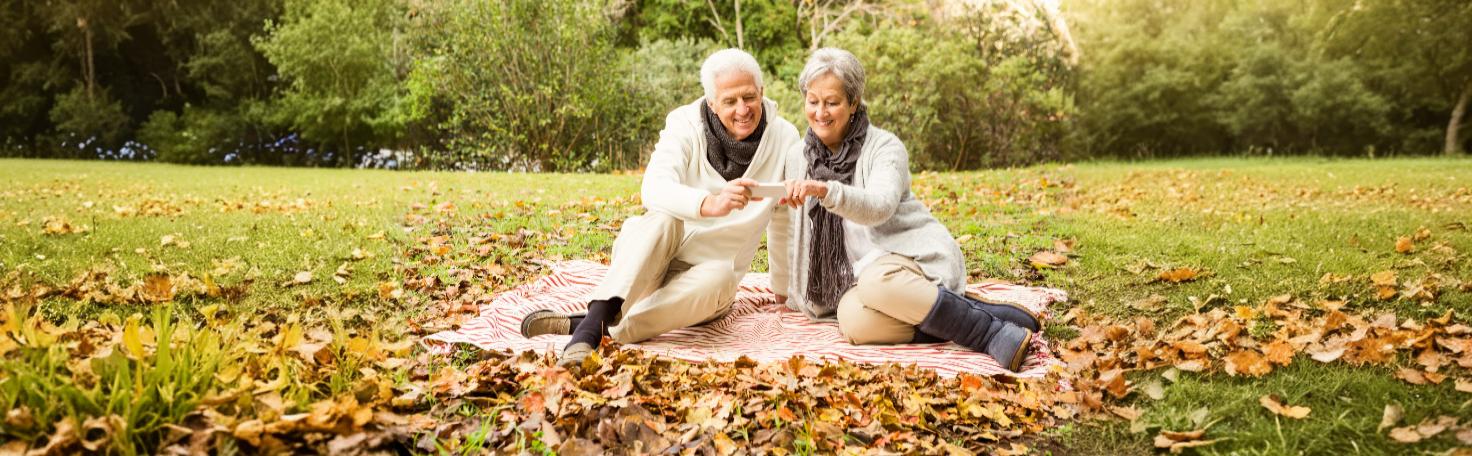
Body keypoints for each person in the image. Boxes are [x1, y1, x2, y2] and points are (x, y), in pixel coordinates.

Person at [519, 49, 802, 369]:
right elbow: (652, 187)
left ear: (762, 92)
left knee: (722, 274)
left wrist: (783, 292)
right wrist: (709, 204)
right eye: (730, 101)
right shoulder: (684, 123)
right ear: (711, 103)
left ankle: (591, 328)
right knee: (663, 219)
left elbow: (784, 217)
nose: (743, 109)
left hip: (705, 288)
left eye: (749, 97)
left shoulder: (785, 138)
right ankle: (591, 326)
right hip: (650, 263)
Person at [777, 48, 1041, 371]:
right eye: (813, 101)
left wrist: (826, 191)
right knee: (854, 323)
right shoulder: (798, 157)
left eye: (831, 102)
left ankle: (987, 331)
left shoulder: (886, 147)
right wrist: (787, 291)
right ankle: (960, 311)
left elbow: (880, 206)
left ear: (854, 103)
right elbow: (788, 228)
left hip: (910, 262)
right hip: (857, 281)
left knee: (877, 282)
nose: (820, 112)